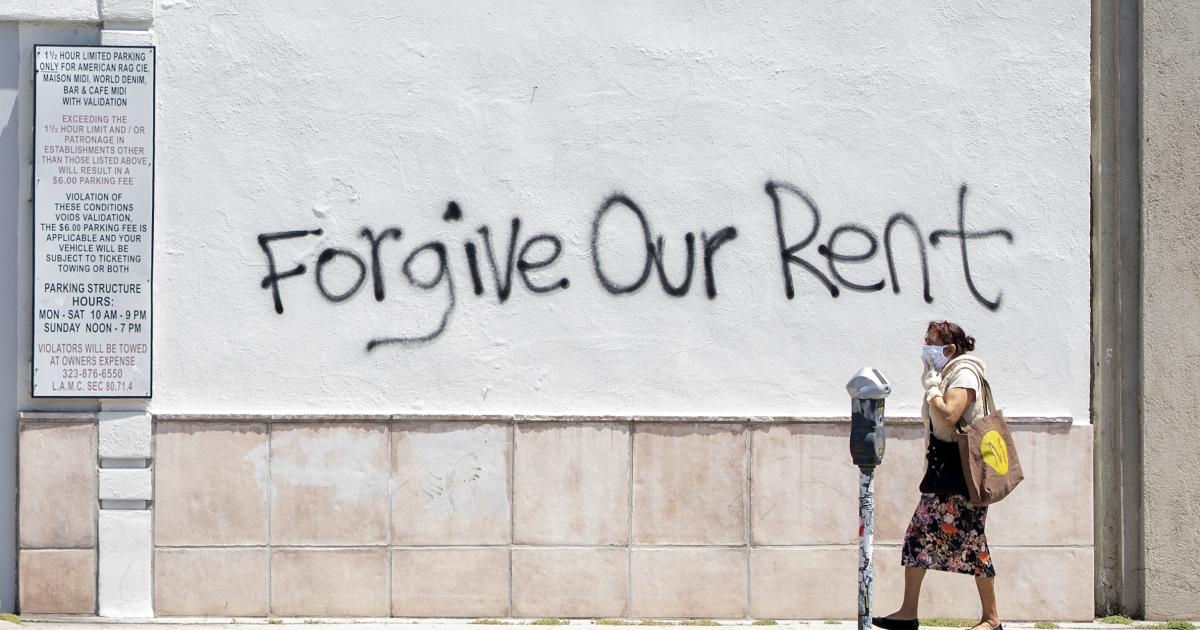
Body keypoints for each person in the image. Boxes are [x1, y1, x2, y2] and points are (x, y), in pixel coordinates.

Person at [872, 320, 1001, 630]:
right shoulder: (948, 373)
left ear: (949, 349)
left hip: (960, 475)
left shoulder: (963, 373)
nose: (925, 347)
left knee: (971, 544)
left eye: (931, 342)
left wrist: (931, 389)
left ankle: (991, 619)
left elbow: (950, 414)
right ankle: (908, 613)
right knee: (920, 540)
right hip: (944, 472)